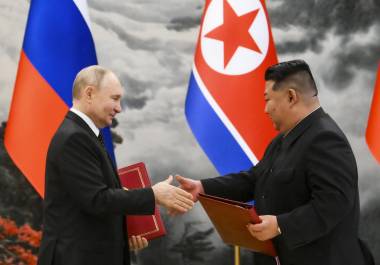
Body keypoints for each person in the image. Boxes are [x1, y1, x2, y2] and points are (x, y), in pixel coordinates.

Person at [176, 60, 374, 265]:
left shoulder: (325, 138)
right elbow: (255, 180)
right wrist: (203, 188)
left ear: (291, 96)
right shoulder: (283, 139)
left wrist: (281, 225)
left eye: (268, 99)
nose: (265, 109)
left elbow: (334, 204)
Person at [37, 65, 194, 265]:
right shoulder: (74, 137)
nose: (119, 108)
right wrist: (153, 194)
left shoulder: (82, 134)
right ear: (90, 93)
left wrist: (124, 235)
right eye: (115, 98)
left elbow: (90, 204)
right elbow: (97, 199)